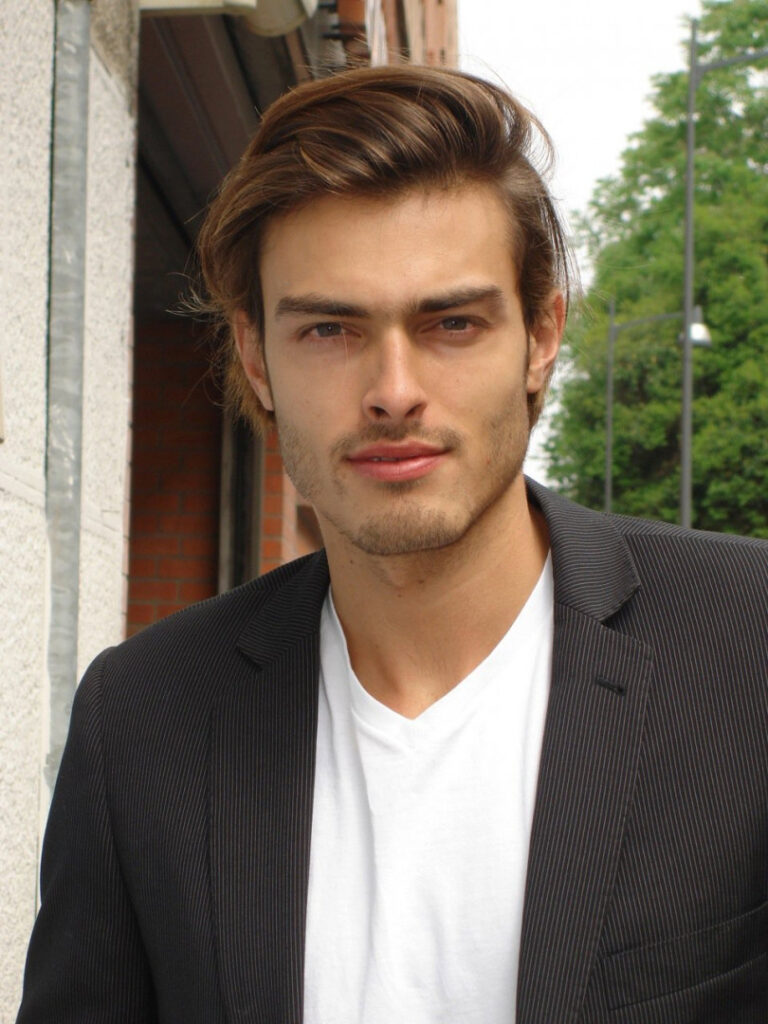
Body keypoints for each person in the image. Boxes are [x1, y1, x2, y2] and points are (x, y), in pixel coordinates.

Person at [17, 65, 767, 1024]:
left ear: (541, 335)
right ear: (256, 357)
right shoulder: (141, 718)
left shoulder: (748, 649)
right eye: (330, 329)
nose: (394, 391)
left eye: (452, 323)